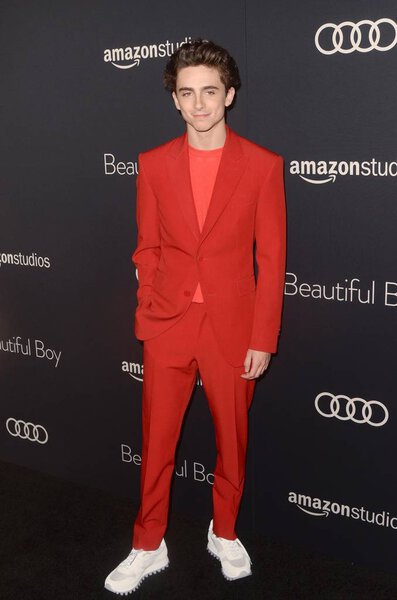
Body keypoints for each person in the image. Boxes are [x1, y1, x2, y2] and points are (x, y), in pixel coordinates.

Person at [105, 38, 286, 595]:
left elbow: (272, 259)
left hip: (233, 328)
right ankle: (147, 542)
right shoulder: (153, 165)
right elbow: (147, 246)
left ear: (229, 94)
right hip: (169, 324)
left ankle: (224, 531)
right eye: (188, 93)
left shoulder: (262, 166)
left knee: (232, 439)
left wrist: (263, 336)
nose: (200, 103)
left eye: (210, 91)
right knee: (157, 440)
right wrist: (150, 303)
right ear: (175, 101)